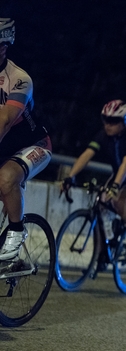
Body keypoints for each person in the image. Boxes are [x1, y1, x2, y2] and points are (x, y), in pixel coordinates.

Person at [60, 100, 126, 247]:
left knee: (120, 201)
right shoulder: (103, 135)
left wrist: (115, 185)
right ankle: (107, 236)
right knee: (101, 198)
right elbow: (86, 155)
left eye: (113, 121)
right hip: (120, 174)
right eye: (105, 120)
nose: (108, 125)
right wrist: (70, 177)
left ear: (124, 121)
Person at [0, 18, 53, 260]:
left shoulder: (19, 79)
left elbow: (5, 121)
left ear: (4, 47)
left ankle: (16, 231)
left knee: (7, 177)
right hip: (4, 146)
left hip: (33, 145)